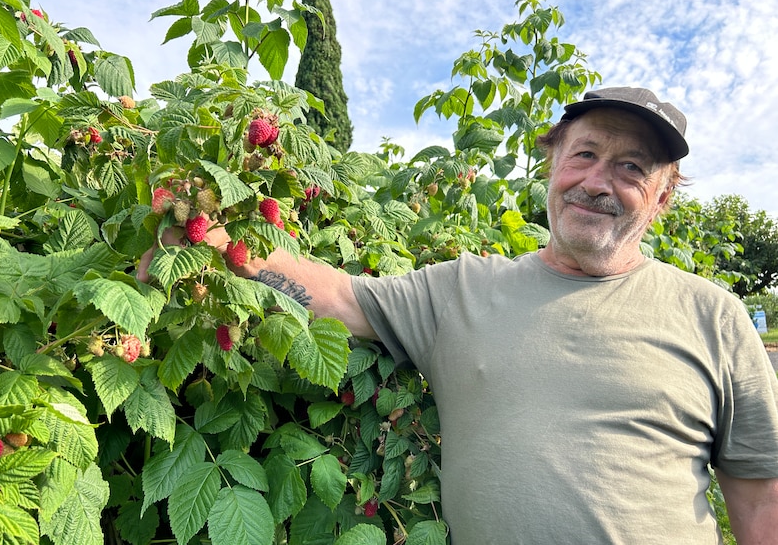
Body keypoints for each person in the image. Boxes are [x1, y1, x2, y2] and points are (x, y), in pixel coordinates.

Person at [141, 87, 778, 544]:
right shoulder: (463, 289)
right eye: (583, 155)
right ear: (552, 164)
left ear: (663, 196)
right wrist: (211, 239)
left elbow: (758, 497)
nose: (597, 181)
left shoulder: (713, 315)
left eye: (631, 167)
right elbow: (337, 297)